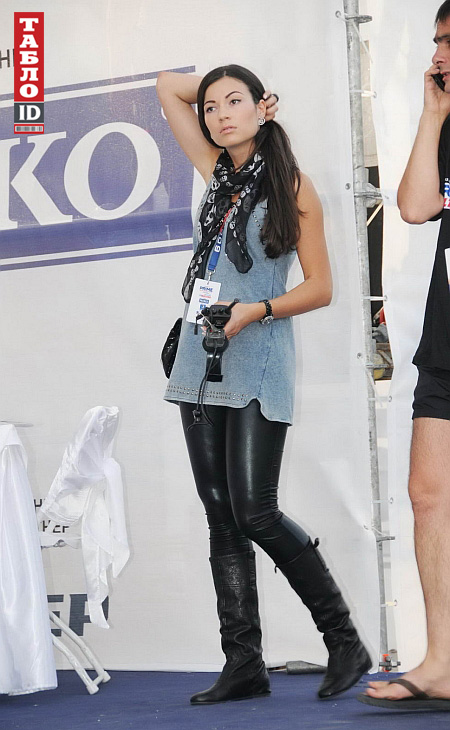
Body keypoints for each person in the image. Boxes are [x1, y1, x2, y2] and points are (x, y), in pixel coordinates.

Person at [157, 64, 371, 705]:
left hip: (258, 356)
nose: (221, 114)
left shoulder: (292, 185)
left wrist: (257, 310)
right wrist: (222, 87)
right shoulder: (215, 174)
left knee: (255, 511)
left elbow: (321, 287)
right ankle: (243, 663)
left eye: (236, 102)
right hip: (199, 357)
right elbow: (167, 86)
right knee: (220, 516)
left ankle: (343, 640)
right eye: (212, 106)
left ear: (263, 108)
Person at [358, 0, 450, 712]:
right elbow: (416, 207)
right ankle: (443, 661)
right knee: (427, 493)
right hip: (447, 336)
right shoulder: (447, 121)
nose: (439, 54)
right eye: (437, 41)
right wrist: (433, 114)